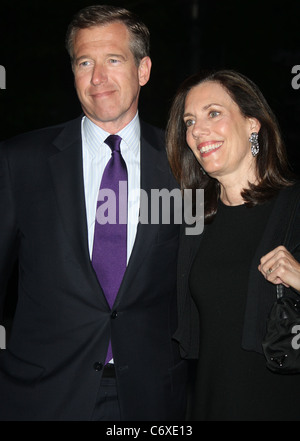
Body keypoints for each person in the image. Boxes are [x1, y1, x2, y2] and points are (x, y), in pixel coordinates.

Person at [0, 5, 187, 421]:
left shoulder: (183, 166)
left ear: (143, 70)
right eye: (85, 62)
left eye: (113, 60)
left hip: (151, 398)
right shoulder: (20, 162)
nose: (97, 78)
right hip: (41, 395)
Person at [166, 69, 300, 421]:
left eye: (214, 113)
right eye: (189, 121)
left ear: (253, 124)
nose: (197, 130)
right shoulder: (193, 221)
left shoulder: (295, 208)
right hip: (209, 403)